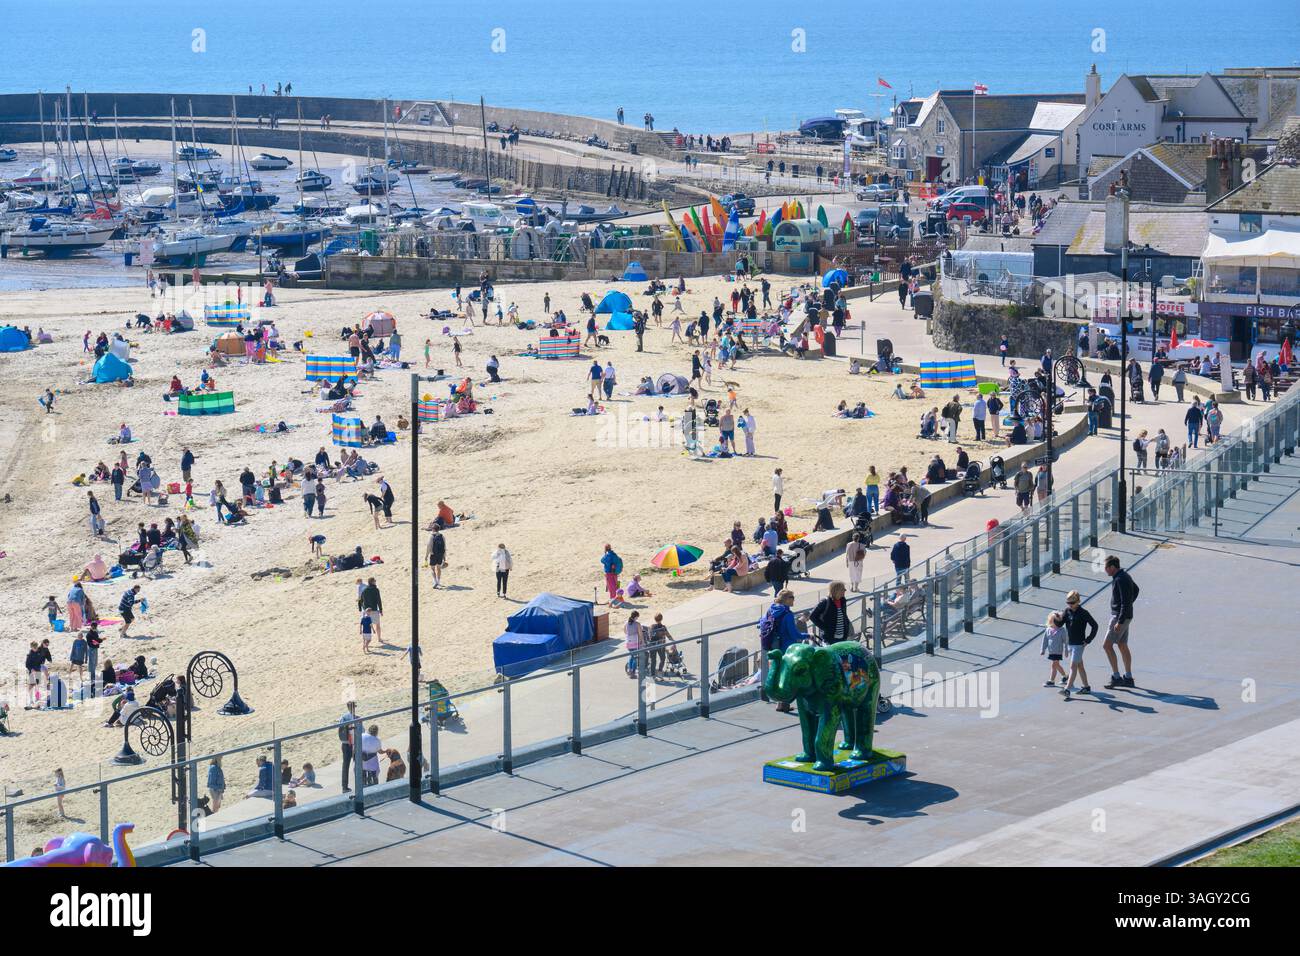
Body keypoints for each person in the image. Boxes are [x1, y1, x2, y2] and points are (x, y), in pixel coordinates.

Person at [759, 590, 807, 712]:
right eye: (792, 597)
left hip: (775, 646)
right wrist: (807, 635)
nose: (794, 599)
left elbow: (761, 622)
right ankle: (784, 703)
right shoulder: (787, 614)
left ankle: (782, 703)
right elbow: (794, 633)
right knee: (787, 675)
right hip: (787, 648)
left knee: (778, 672)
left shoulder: (771, 609)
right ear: (786, 599)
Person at [1102, 556, 1139, 689]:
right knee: (1122, 645)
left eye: (1106, 567)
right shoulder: (1125, 576)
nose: (1105, 570)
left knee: (1107, 646)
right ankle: (1128, 677)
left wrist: (1119, 621)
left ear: (1112, 567)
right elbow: (1136, 590)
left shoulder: (1119, 579)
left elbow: (1124, 602)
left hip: (1119, 617)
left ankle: (1116, 677)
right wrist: (1128, 606)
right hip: (1126, 616)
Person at [1061, 590, 1099, 699]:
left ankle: (1067, 689)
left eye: (1072, 603)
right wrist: (1056, 619)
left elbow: (1095, 626)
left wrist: (1088, 640)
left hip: (1079, 644)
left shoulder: (1083, 613)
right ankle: (1086, 687)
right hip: (1070, 643)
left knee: (1073, 666)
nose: (1070, 605)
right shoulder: (1067, 611)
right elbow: (1060, 623)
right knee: (1079, 665)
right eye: (1068, 603)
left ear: (1078, 601)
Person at [1041, 611, 1068, 687]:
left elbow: (1066, 641)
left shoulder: (1062, 630)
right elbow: (1045, 640)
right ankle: (1065, 676)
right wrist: (1042, 649)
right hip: (1051, 651)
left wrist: (1066, 650)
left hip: (1058, 651)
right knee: (1057, 665)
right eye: (1053, 620)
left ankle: (1051, 681)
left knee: (1054, 665)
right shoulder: (1048, 630)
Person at [359, 577, 382, 644]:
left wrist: (363, 608)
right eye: (374, 581)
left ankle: (365, 641)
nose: (375, 581)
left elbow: (360, 601)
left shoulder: (364, 590)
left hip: (366, 611)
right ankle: (379, 638)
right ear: (372, 582)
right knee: (377, 625)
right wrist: (381, 610)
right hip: (374, 610)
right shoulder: (376, 590)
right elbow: (379, 600)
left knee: (366, 626)